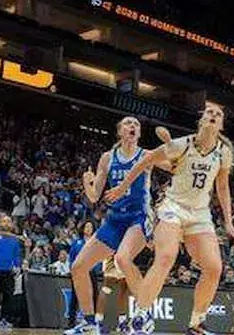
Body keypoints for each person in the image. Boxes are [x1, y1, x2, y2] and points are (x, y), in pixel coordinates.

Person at [105, 102, 234, 335]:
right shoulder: (182, 144)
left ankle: (196, 324)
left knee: (214, 267)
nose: (213, 115)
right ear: (201, 120)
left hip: (199, 214)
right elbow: (145, 160)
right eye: (210, 112)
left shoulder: (224, 152)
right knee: (166, 256)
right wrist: (121, 187)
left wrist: (228, 221)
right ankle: (141, 316)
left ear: (221, 125)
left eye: (218, 114)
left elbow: (223, 187)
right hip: (173, 207)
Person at [65, 116, 156, 335]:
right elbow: (95, 196)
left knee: (122, 258)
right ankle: (89, 323)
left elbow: (172, 164)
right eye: (128, 123)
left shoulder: (146, 156)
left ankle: (145, 312)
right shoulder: (107, 158)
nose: (133, 126)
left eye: (136, 125)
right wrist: (87, 183)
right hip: (114, 220)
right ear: (119, 131)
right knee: (78, 267)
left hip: (138, 217)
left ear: (139, 133)